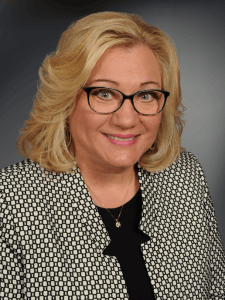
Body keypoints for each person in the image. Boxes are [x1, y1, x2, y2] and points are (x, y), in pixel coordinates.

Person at [0, 11, 224, 300]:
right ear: (66, 101)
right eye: (105, 94)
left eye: (146, 95)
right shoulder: (10, 200)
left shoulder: (186, 178)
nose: (127, 120)